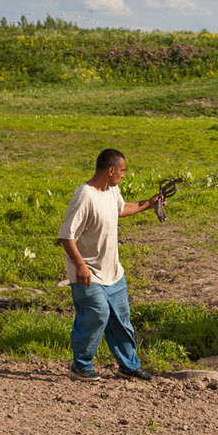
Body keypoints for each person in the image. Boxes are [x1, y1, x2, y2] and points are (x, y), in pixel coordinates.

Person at [58, 148, 163, 382]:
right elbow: (66, 236)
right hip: (87, 273)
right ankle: (80, 366)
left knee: (121, 320)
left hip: (113, 272)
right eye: (123, 170)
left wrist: (148, 203)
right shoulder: (84, 195)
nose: (124, 175)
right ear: (111, 170)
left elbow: (121, 209)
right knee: (96, 315)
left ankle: (128, 366)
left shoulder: (111, 190)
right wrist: (81, 266)